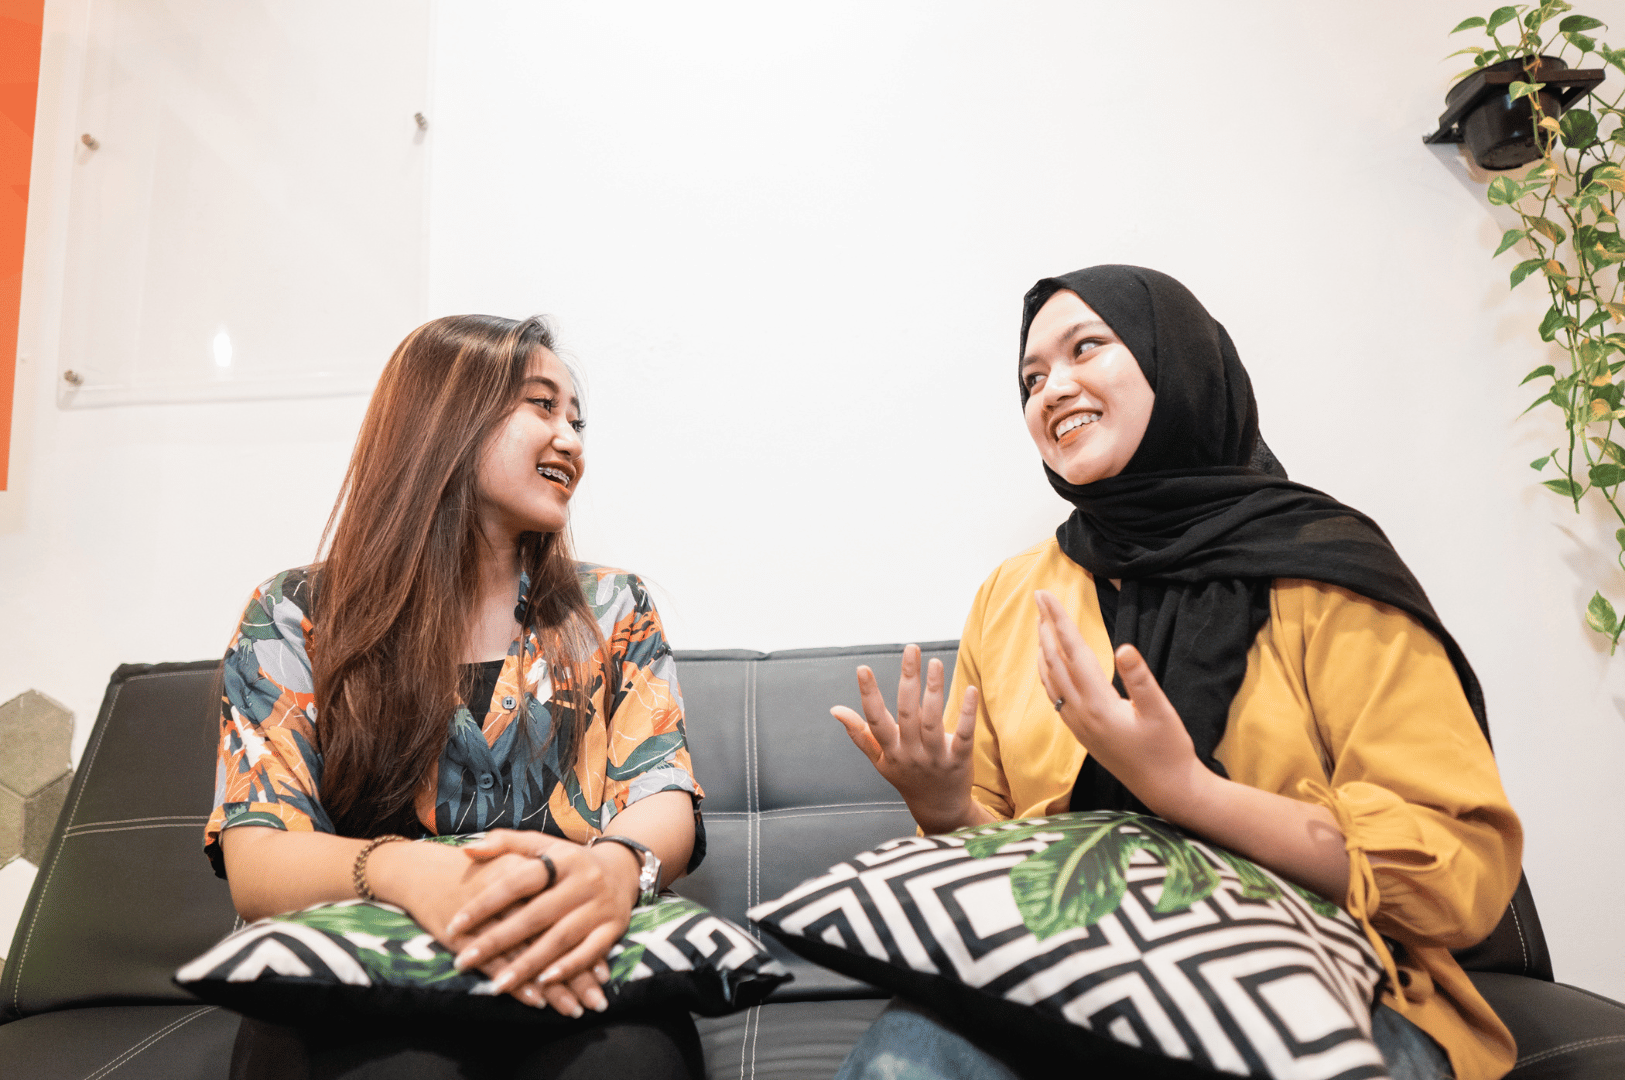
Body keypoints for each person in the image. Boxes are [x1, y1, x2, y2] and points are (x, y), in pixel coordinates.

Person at [829, 266, 1521, 1080]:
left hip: (1323, 978)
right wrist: (947, 813)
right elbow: (1010, 890)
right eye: (1030, 378)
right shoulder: (1015, 596)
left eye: (1087, 346)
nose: (1053, 389)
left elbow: (1459, 876)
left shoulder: (1325, 569)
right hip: (1065, 978)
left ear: (1178, 360)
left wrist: (1185, 792)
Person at [204, 314, 706, 1079]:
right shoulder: (294, 615)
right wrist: (406, 873)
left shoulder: (611, 608)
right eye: (542, 406)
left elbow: (663, 791)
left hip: (571, 953)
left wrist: (613, 868)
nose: (570, 439)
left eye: (576, 419)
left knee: (625, 1063)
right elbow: (258, 857)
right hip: (358, 968)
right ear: (444, 419)